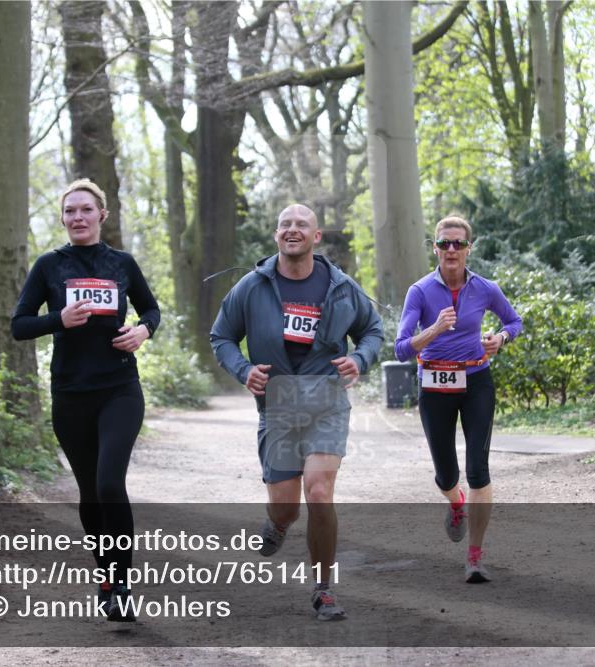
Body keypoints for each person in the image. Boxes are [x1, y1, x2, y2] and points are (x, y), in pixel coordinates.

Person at [210, 204, 383, 621]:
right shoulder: (252, 286)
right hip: (279, 406)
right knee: (287, 507)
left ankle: (323, 589)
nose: (292, 229)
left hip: (327, 402)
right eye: (285, 224)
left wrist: (360, 358)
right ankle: (278, 522)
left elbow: (373, 328)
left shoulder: (340, 286)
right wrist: (244, 368)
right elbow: (222, 337)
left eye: (301, 224)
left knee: (320, 493)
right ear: (276, 236)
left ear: (316, 236)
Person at [11, 178, 160, 621]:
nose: (77, 217)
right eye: (70, 211)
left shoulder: (122, 264)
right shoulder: (49, 266)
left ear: (101, 215)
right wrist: (60, 319)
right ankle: (106, 578)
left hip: (119, 389)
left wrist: (142, 331)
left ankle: (123, 586)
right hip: (70, 393)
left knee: (110, 484)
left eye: (85, 210)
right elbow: (19, 325)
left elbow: (151, 310)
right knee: (91, 493)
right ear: (63, 218)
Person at [394, 215, 521, 583]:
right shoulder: (419, 292)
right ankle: (456, 503)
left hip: (476, 379)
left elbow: (514, 321)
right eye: (444, 243)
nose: (451, 250)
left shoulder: (485, 288)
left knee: (479, 471)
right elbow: (402, 349)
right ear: (434, 248)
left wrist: (501, 338)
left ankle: (475, 557)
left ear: (469, 248)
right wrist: (433, 329)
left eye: (458, 244)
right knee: (446, 474)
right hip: (434, 385)